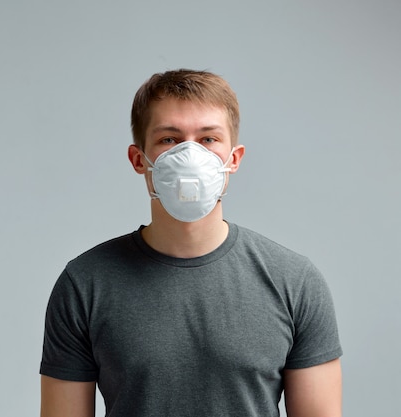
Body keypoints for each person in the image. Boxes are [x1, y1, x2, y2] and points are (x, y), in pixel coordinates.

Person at [39, 69, 342, 417]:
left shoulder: (295, 282)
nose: (190, 156)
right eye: (170, 139)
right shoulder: (85, 284)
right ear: (140, 159)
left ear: (234, 159)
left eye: (209, 139)